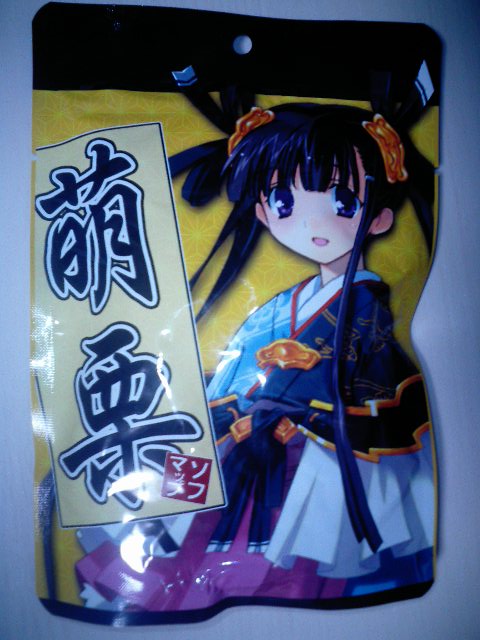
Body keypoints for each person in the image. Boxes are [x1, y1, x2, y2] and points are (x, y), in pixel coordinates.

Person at [75, 77, 437, 609]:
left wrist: (299, 401)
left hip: (315, 453)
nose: (312, 221)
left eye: (341, 201)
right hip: (244, 442)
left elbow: (378, 381)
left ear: (380, 217)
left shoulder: (365, 308)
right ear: (264, 211)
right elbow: (233, 373)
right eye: (285, 200)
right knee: (180, 530)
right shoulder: (274, 309)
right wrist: (225, 415)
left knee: (302, 550)